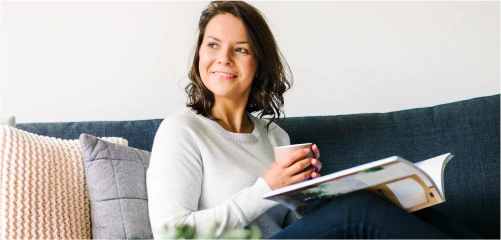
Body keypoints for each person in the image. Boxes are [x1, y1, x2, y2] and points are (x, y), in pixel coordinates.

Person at [146, 1, 481, 239]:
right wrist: (265, 188)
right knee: (359, 210)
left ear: (259, 63)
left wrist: (313, 196)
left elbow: (293, 224)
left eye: (241, 49)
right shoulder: (182, 130)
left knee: (406, 206)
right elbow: (172, 233)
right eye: (213, 45)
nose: (223, 58)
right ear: (199, 54)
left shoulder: (274, 137)